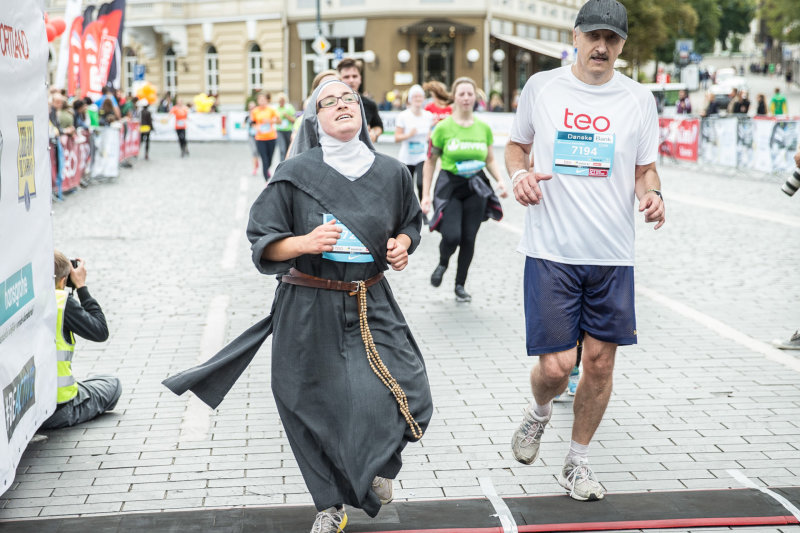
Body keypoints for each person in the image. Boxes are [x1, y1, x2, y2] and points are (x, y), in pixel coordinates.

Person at [162, 79, 432, 533]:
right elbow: (262, 239)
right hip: (307, 303)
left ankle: (381, 467)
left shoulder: (392, 172)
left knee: (411, 389)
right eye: (330, 101)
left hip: (370, 298)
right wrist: (303, 242)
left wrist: (403, 245)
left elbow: (409, 222)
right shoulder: (296, 174)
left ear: (362, 113)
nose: (343, 105)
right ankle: (328, 506)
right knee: (303, 402)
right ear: (315, 118)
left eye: (350, 99)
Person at [504, 0, 664, 502]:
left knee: (598, 364)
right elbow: (515, 146)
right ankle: (539, 413)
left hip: (612, 255)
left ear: (622, 45)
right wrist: (518, 175)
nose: (602, 46)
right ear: (574, 37)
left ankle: (577, 462)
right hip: (551, 250)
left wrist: (654, 195)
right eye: (593, 35)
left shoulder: (638, 99)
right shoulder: (543, 88)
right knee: (555, 368)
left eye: (612, 39)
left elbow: (645, 169)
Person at [420, 77, 509, 303]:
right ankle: (443, 262)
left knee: (469, 238)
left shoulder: (483, 128)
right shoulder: (442, 128)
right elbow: (430, 162)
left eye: (470, 93)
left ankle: (460, 285)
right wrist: (426, 195)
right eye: (462, 94)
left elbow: (489, 158)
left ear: (475, 98)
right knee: (452, 236)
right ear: (455, 97)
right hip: (451, 184)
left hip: (476, 186)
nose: (467, 98)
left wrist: (500, 180)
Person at [43, 252, 121, 430]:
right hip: (58, 409)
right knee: (112, 384)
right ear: (64, 280)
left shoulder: (22, 302)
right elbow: (100, 332)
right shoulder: (60, 302)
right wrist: (81, 287)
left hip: (25, 411)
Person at [395, 84, 434, 200]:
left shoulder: (428, 116)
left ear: (423, 98)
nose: (418, 99)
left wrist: (430, 136)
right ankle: (408, 213)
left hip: (422, 155)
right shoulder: (403, 116)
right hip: (406, 157)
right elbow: (397, 138)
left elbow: (431, 135)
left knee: (422, 184)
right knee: (407, 187)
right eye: (415, 96)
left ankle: (423, 210)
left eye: (420, 96)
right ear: (410, 99)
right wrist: (409, 135)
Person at [337, 58, 384, 143]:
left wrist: (374, 133)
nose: (351, 80)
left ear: (360, 79)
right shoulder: (333, 103)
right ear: (339, 79)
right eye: (346, 77)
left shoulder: (370, 103)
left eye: (354, 76)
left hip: (363, 152)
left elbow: (378, 126)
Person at [250, 91, 280, 180]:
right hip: (260, 138)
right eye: (260, 100)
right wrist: (256, 128)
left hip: (271, 137)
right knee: (264, 159)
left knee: (270, 159)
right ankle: (266, 180)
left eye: (264, 99)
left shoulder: (271, 110)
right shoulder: (255, 111)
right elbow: (252, 123)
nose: (262, 101)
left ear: (267, 100)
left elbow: (279, 121)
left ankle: (267, 169)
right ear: (258, 101)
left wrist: (270, 121)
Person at [274, 92, 296, 162]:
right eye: (280, 101)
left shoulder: (289, 107)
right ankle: (282, 165)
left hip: (288, 131)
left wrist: (286, 116)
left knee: (288, 150)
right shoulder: (276, 109)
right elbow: (274, 120)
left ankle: (287, 164)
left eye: (283, 101)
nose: (281, 102)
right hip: (279, 131)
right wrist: (278, 120)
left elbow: (294, 120)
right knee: (282, 149)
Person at [245, 100, 260, 175]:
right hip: (251, 136)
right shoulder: (247, 116)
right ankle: (255, 168)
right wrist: (247, 126)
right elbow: (243, 124)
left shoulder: (258, 115)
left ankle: (257, 162)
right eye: (251, 107)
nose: (252, 109)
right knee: (254, 151)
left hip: (258, 135)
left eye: (253, 107)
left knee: (258, 151)